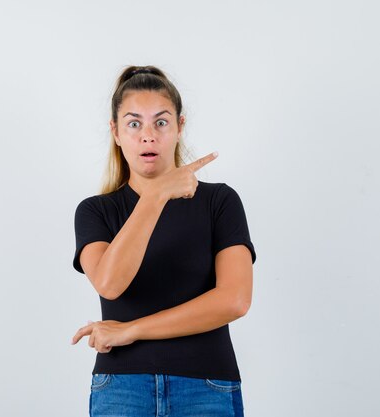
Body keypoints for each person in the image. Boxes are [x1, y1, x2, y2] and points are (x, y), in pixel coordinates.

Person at [70, 65, 256, 417]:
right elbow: (110, 284)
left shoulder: (219, 202)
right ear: (116, 132)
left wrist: (131, 330)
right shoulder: (96, 211)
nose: (148, 136)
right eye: (134, 123)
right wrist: (155, 197)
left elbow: (234, 301)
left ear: (179, 127)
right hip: (122, 389)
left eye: (161, 121)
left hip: (207, 386)